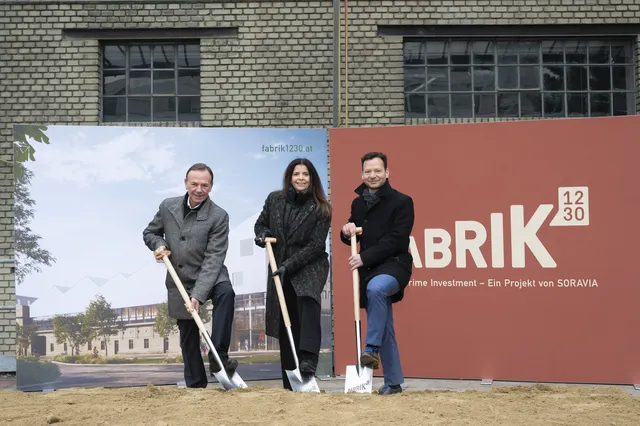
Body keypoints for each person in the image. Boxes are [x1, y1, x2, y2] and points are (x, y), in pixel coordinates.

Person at [143, 163, 238, 388]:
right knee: (188, 332)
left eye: (204, 185)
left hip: (210, 273)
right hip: (180, 276)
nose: (198, 189)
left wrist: (198, 294)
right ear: (186, 183)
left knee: (226, 293)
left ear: (211, 187)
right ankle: (196, 384)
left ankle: (218, 357)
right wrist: (159, 245)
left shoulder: (219, 216)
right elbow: (150, 232)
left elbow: (214, 258)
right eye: (194, 183)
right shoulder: (168, 206)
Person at [340, 152, 415, 396]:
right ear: (362, 174)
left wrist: (364, 257)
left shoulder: (403, 201)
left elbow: (397, 239)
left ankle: (370, 348)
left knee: (377, 289)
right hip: (369, 269)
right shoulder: (358, 202)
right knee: (386, 325)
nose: (373, 175)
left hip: (394, 265)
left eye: (377, 170)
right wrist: (347, 229)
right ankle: (393, 382)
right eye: (368, 171)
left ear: (387, 172)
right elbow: (354, 231)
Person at [254, 158, 331, 390]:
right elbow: (260, 224)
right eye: (296, 174)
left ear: (312, 178)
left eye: (305, 174)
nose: (300, 178)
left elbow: (316, 245)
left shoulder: (321, 209)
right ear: (290, 176)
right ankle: (290, 379)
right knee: (286, 319)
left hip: (309, 264)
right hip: (280, 265)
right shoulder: (274, 199)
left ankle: (308, 358)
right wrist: (263, 235)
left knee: (308, 300)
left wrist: (290, 265)